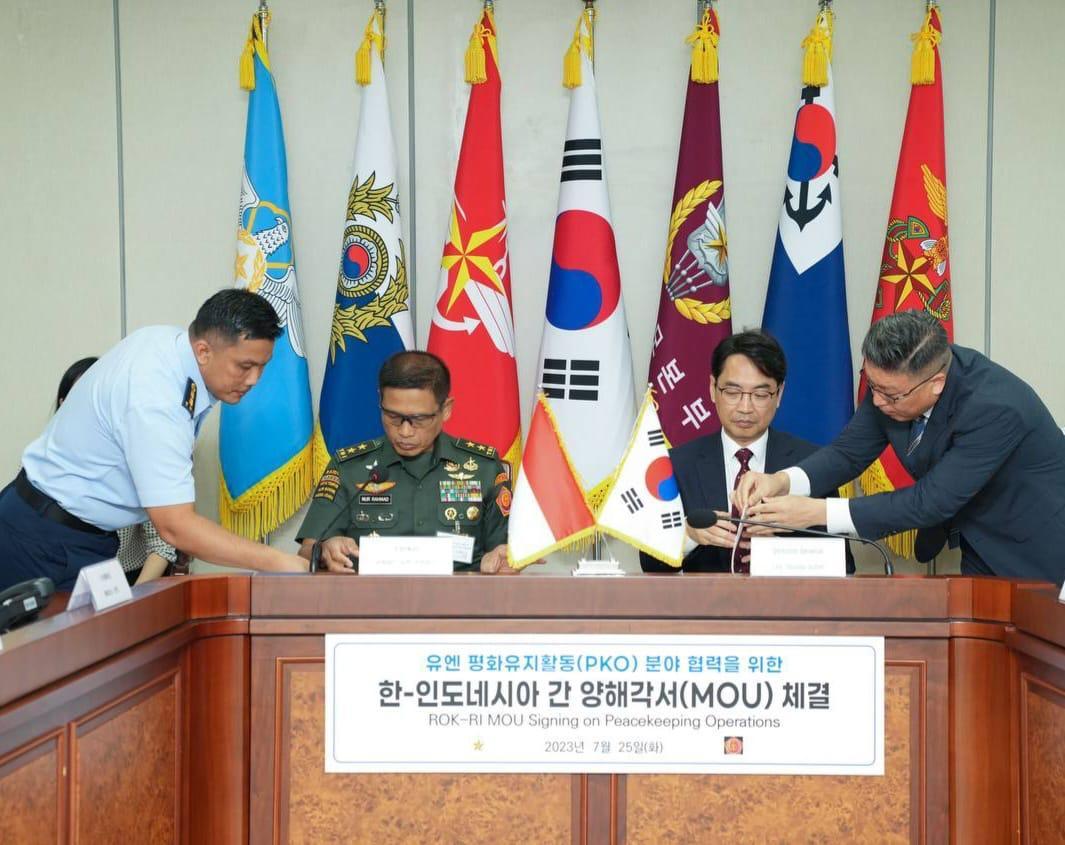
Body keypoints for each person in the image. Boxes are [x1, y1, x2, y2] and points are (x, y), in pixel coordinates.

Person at [0, 289, 308, 592]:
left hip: (78, 535)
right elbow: (175, 526)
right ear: (204, 351)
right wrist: (277, 561)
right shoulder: (157, 394)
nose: (254, 380)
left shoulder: (168, 346)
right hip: (42, 541)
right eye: (245, 366)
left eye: (262, 367)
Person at [736, 311, 1065, 584]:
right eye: (872, 385)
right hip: (978, 543)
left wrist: (817, 513)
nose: (877, 402)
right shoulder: (893, 384)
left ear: (936, 383)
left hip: (1042, 549)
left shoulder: (995, 407)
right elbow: (847, 453)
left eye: (891, 395)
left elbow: (930, 501)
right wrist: (781, 481)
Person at [641, 329, 853, 574]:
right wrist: (688, 536)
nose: (745, 407)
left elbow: (844, 564)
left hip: (786, 599)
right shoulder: (676, 465)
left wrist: (782, 552)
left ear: (779, 394)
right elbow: (648, 562)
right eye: (732, 393)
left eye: (760, 395)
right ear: (712, 388)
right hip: (703, 599)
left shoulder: (811, 466)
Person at [297, 351, 515, 574]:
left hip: (460, 594)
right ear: (380, 402)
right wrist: (324, 550)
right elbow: (307, 552)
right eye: (393, 417)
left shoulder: (484, 469)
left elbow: (506, 552)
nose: (405, 431)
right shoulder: (349, 467)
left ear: (446, 409)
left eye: (419, 419)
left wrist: (504, 559)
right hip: (367, 594)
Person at [55, 357, 179, 586]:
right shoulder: (42, 465)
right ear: (63, 405)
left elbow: (162, 546)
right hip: (60, 580)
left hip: (125, 580)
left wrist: (135, 598)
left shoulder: (139, 461)